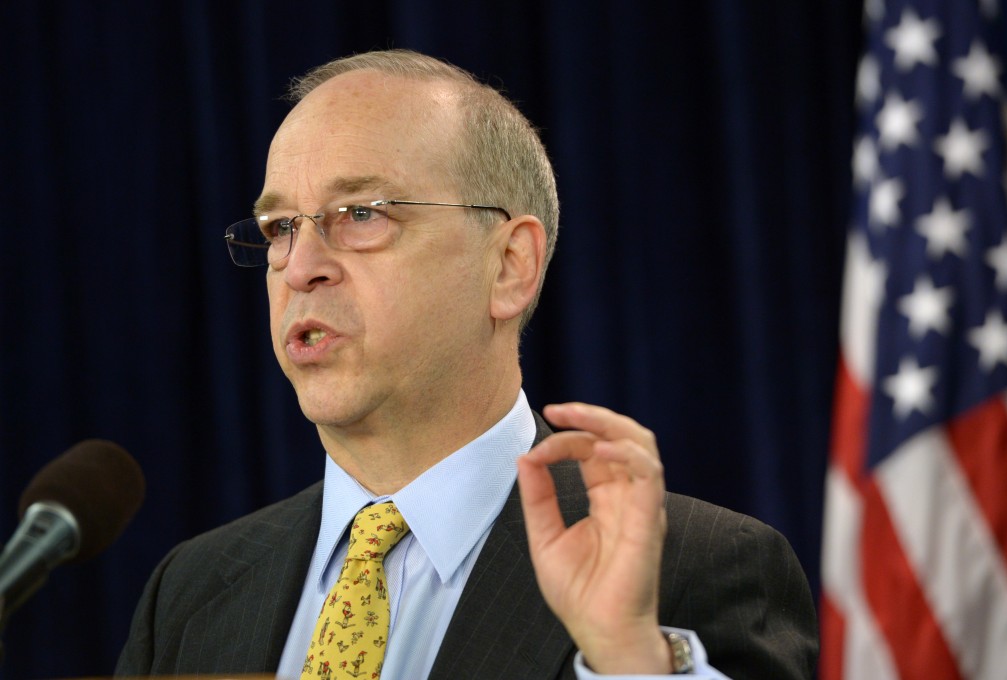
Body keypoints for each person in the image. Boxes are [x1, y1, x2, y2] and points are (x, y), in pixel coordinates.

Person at [115, 49, 817, 679]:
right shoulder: (191, 592)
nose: (299, 269)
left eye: (360, 214)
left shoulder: (691, 568)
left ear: (510, 266)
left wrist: (631, 662)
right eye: (279, 228)